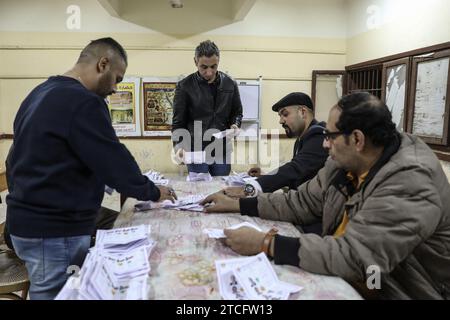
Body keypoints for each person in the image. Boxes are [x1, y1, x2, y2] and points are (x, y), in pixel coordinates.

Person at [201, 92, 450, 299]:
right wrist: (240, 204)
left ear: (357, 139)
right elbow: (301, 202)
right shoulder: (345, 159)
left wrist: (266, 243)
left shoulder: (410, 180)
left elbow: (356, 257)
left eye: (330, 136)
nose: (324, 144)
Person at [5, 37, 177, 300]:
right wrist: (152, 191)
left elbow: (14, 158)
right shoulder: (83, 102)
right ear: (103, 63)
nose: (115, 89)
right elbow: (113, 160)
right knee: (59, 294)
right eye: (117, 79)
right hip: (53, 229)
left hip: (24, 222)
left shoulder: (39, 93)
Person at [223, 92, 328, 200]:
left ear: (302, 112)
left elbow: (294, 169)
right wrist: (265, 176)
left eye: (285, 114)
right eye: (280, 116)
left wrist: (251, 187)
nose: (281, 121)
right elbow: (299, 177)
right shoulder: (301, 139)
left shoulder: (319, 136)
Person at [171, 40, 243, 176]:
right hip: (195, 149)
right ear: (195, 62)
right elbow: (178, 122)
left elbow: (237, 112)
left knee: (222, 188)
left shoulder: (230, 84)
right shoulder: (185, 86)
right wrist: (179, 146)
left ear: (218, 61)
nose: (209, 72)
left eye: (213, 67)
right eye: (204, 67)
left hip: (221, 149)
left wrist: (235, 124)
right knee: (200, 189)